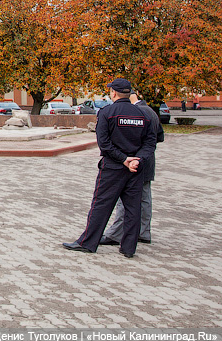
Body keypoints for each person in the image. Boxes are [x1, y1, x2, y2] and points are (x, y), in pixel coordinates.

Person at [63, 78, 157, 258]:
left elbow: (104, 143)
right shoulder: (143, 114)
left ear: (113, 93)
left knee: (101, 205)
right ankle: (128, 248)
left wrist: (123, 160)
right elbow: (150, 143)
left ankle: (88, 242)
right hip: (135, 169)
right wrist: (136, 160)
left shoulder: (107, 112)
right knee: (133, 209)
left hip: (112, 168)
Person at [101, 90, 164, 246]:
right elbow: (159, 137)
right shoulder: (150, 111)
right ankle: (143, 232)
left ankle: (116, 234)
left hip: (132, 163)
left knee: (126, 199)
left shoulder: (136, 112)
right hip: (147, 162)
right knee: (145, 198)